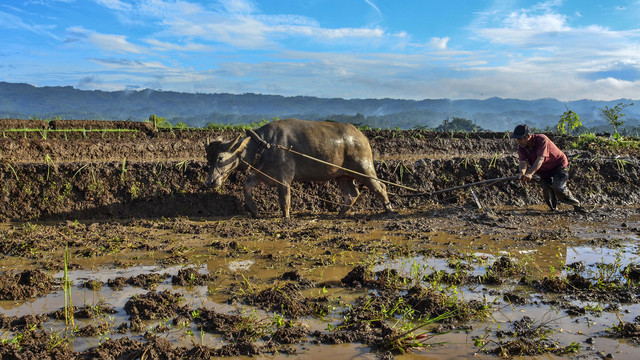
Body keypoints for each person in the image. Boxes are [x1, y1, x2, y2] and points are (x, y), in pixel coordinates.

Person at [511, 124, 583, 211]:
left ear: (528, 136)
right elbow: (522, 163)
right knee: (546, 190)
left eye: (519, 139)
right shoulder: (521, 147)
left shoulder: (542, 140)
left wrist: (530, 173)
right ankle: (554, 209)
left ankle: (576, 205)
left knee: (558, 187)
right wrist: (522, 173)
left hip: (558, 166)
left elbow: (540, 159)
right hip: (544, 171)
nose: (518, 141)